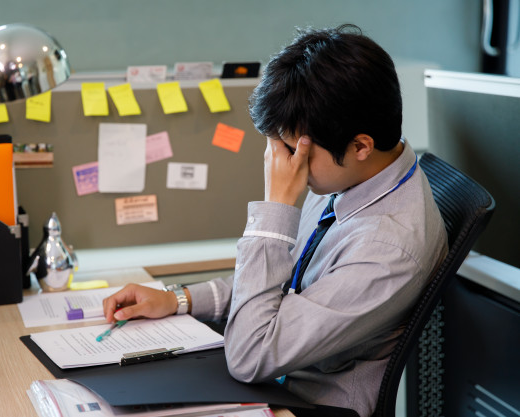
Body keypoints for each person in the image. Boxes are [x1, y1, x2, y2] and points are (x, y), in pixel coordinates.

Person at [103, 24, 448, 417]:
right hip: (277, 378)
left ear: (361, 145)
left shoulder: (387, 249)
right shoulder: (355, 178)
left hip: (305, 403)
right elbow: (274, 283)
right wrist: (178, 299)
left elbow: (251, 356)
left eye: (292, 148)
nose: (282, 162)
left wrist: (277, 207)